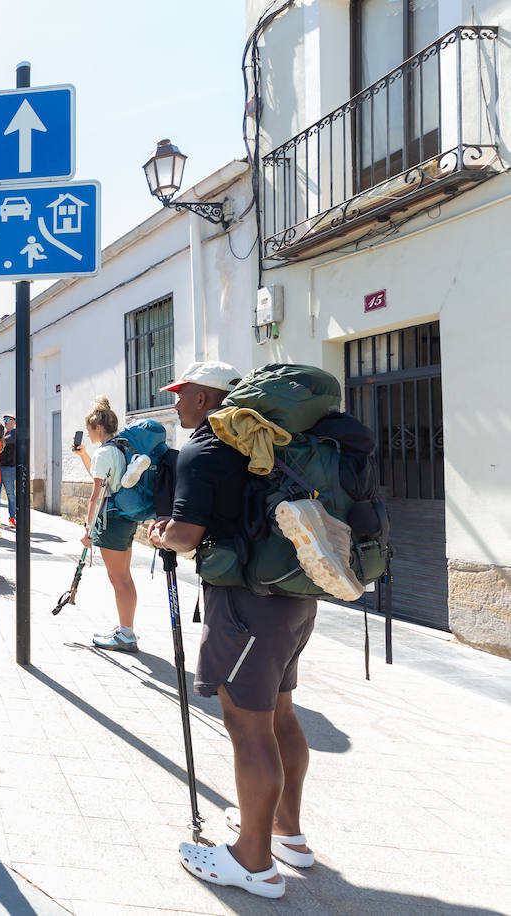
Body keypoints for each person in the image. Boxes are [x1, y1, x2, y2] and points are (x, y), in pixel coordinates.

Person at [144, 363, 309, 901]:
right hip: (294, 598)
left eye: (182, 394)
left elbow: (187, 535)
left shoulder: (206, 447)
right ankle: (287, 832)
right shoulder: (272, 440)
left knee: (248, 728)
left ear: (205, 397)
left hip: (244, 606)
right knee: (280, 714)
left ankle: (253, 863)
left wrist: (159, 536)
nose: (176, 404)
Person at [73, 396, 141, 652]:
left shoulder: (104, 452)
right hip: (125, 517)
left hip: (111, 520)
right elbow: (103, 476)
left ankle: (126, 635)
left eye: (89, 429)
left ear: (97, 428)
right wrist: (83, 456)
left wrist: (88, 530)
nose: (88, 434)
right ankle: (127, 628)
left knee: (118, 579)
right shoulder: (120, 447)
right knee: (124, 577)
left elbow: (96, 495)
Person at [0, 415, 17, 526]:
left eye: (8, 420)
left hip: (9, 468)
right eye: (4, 420)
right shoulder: (3, 434)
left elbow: (7, 441)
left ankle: (12, 518)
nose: (6, 422)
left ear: (14, 422)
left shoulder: (14, 433)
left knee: (10, 494)